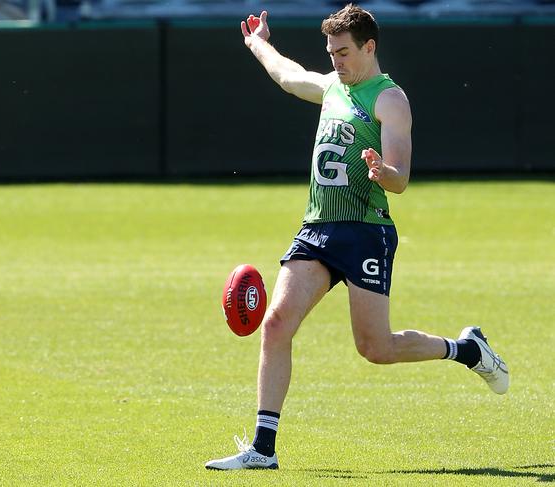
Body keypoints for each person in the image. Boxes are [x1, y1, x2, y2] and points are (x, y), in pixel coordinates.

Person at [205, 3, 509, 471]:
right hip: (317, 227)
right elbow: (288, 76)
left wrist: (381, 171)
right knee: (277, 323)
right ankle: (263, 450)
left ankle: (466, 349)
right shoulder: (331, 87)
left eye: (344, 52)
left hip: (366, 232)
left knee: (375, 348)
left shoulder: (389, 99)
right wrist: (257, 43)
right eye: (330, 52)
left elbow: (400, 178)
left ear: (369, 47)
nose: (335, 61)